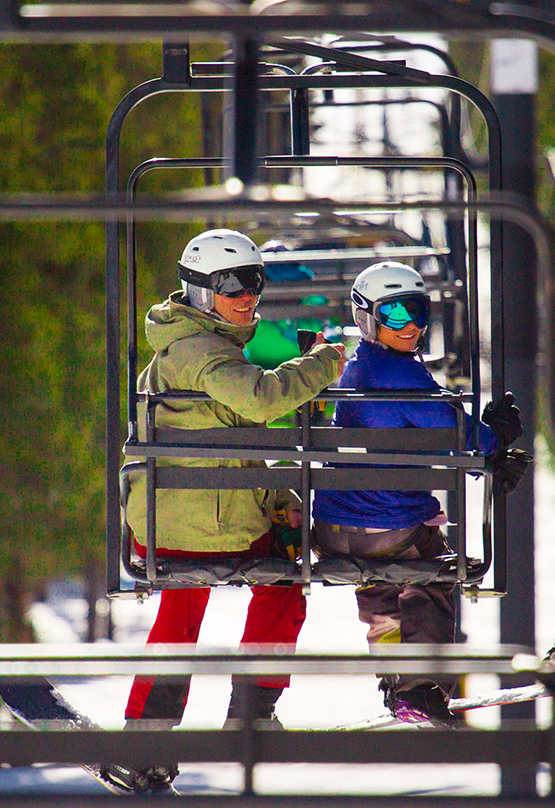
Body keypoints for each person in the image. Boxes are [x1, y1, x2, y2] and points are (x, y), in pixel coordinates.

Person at [121, 228, 347, 743]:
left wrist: (277, 498)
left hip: (169, 523)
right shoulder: (204, 354)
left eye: (254, 284)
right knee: (284, 584)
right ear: (202, 291)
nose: (248, 298)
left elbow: (229, 447)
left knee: (182, 607)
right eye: (233, 285)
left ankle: (146, 737)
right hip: (212, 526)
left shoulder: (188, 347)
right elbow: (262, 400)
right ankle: (251, 708)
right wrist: (324, 363)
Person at [308, 261, 532, 723]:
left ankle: (395, 680)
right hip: (388, 529)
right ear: (368, 319)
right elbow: (450, 430)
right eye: (394, 315)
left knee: (380, 594)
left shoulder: (358, 368)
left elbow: (442, 427)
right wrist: (493, 442)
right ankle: (419, 685)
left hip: (333, 529)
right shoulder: (402, 375)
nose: (410, 326)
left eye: (417, 311)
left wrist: (485, 441)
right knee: (432, 577)